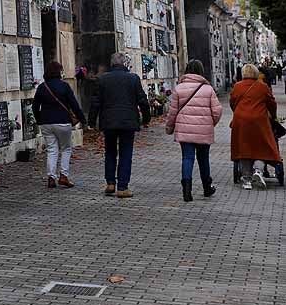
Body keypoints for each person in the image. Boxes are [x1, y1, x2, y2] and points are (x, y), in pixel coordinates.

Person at [88, 53, 151, 198]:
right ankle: (122, 187)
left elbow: (95, 102)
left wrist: (91, 121)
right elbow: (142, 100)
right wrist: (146, 118)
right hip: (128, 122)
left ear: (112, 63)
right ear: (125, 64)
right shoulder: (133, 78)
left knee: (110, 152)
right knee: (125, 153)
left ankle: (110, 183)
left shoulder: (102, 79)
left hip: (109, 122)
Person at [166, 60, 223, 202]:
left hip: (184, 130)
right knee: (203, 159)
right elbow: (217, 111)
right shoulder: (208, 89)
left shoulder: (179, 88)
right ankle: (207, 188)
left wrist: (169, 128)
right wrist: (210, 123)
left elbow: (172, 112)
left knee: (187, 158)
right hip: (204, 130)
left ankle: (186, 190)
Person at [32, 61, 86, 189]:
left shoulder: (42, 87)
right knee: (66, 148)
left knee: (52, 149)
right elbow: (74, 104)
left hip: (46, 123)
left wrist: (39, 119)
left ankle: (51, 177)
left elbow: (35, 106)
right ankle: (63, 176)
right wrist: (83, 119)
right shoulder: (64, 86)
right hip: (63, 122)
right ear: (59, 72)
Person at [230, 64, 281, 190]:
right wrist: (273, 116)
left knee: (243, 147)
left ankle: (246, 179)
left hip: (241, 120)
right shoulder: (262, 87)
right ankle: (258, 171)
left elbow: (232, 102)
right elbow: (271, 103)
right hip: (259, 120)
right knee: (262, 146)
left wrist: (238, 112)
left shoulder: (237, 86)